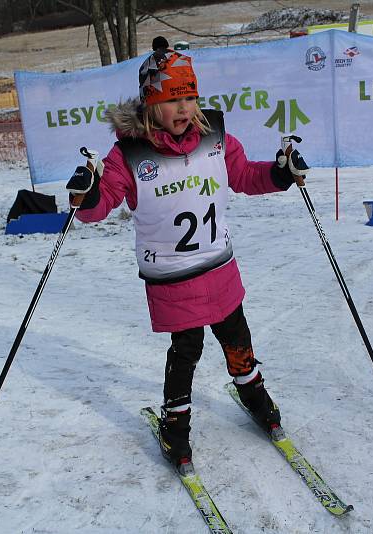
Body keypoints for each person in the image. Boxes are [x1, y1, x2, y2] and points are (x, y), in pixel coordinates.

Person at [67, 36, 309, 474]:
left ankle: (252, 392)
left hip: (219, 266)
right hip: (173, 276)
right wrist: (84, 197)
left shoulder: (214, 137)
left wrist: (280, 173)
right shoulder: (130, 153)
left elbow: (244, 175)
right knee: (187, 349)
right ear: (149, 104)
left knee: (238, 337)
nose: (182, 109)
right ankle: (175, 424)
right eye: (171, 99)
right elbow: (103, 201)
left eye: (188, 97)